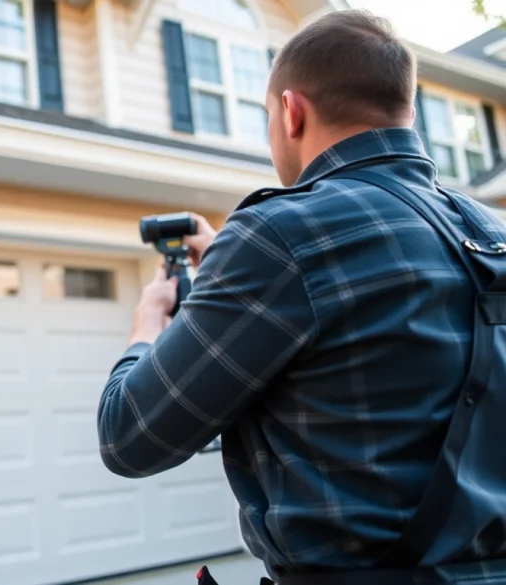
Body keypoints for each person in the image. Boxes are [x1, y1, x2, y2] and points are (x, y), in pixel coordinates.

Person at [97, 9, 506, 585]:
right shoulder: (492, 233)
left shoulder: (281, 236)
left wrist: (147, 326)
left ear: (291, 112)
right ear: (406, 109)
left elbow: (129, 437)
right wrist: (232, 269)